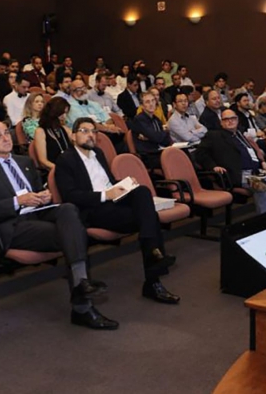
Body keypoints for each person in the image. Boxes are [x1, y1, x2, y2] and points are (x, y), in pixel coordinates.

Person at [0, 121, 116, 330]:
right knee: (72, 233)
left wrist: (44, 196)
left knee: (68, 209)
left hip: (37, 215)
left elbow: (38, 193)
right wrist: (17, 201)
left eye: (7, 133)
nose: (6, 138)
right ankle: (83, 303)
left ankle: (82, 289)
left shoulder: (24, 161)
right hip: (11, 225)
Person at [54, 117, 180, 305]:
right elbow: (70, 196)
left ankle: (153, 256)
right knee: (150, 217)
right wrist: (107, 195)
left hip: (113, 201)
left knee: (142, 191)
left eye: (93, 131)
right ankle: (153, 277)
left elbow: (109, 181)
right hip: (93, 209)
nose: (90, 135)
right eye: (84, 131)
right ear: (73, 136)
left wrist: (123, 185)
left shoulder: (98, 153)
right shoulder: (66, 159)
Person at [195, 109, 266, 214]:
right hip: (236, 174)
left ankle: (264, 182)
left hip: (256, 172)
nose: (230, 121)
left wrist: (262, 162)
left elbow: (251, 152)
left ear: (237, 120)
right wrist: (213, 166)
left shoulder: (240, 135)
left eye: (233, 118)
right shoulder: (214, 136)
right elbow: (200, 154)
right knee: (259, 188)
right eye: (226, 119)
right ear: (221, 122)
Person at [130, 92, 172, 162]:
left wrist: (155, 136)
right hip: (149, 155)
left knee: (182, 154)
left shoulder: (156, 119)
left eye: (153, 100)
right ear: (142, 106)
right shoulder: (139, 119)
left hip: (160, 151)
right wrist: (164, 132)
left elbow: (167, 140)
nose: (151, 104)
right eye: (147, 102)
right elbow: (156, 137)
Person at [33, 97, 72, 169]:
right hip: (54, 169)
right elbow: (43, 161)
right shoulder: (40, 131)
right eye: (62, 113)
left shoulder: (64, 129)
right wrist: (60, 169)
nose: (64, 117)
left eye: (66, 113)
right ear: (54, 113)